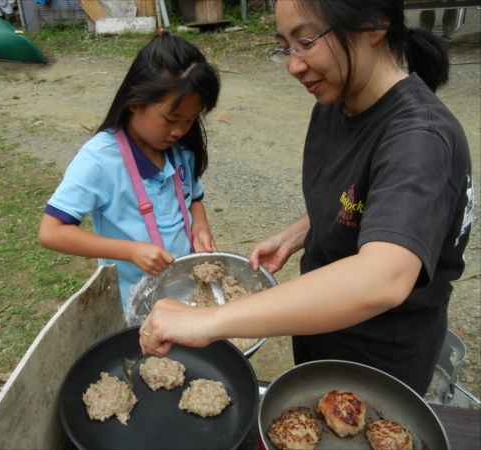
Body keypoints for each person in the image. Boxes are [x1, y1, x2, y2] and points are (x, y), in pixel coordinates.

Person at [139, 0, 474, 397]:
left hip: (378, 365)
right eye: (285, 47)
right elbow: (360, 195)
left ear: (375, 24)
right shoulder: (338, 103)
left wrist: (211, 320)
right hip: (321, 331)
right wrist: (298, 232)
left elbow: (384, 277)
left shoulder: (421, 139)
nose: (294, 65)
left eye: (306, 41)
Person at [38, 30, 221, 312]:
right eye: (171, 119)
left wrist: (200, 227)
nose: (180, 130)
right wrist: (131, 251)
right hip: (132, 304)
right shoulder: (99, 160)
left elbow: (194, 199)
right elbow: (51, 232)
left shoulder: (181, 149)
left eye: (190, 120)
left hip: (186, 294)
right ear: (135, 101)